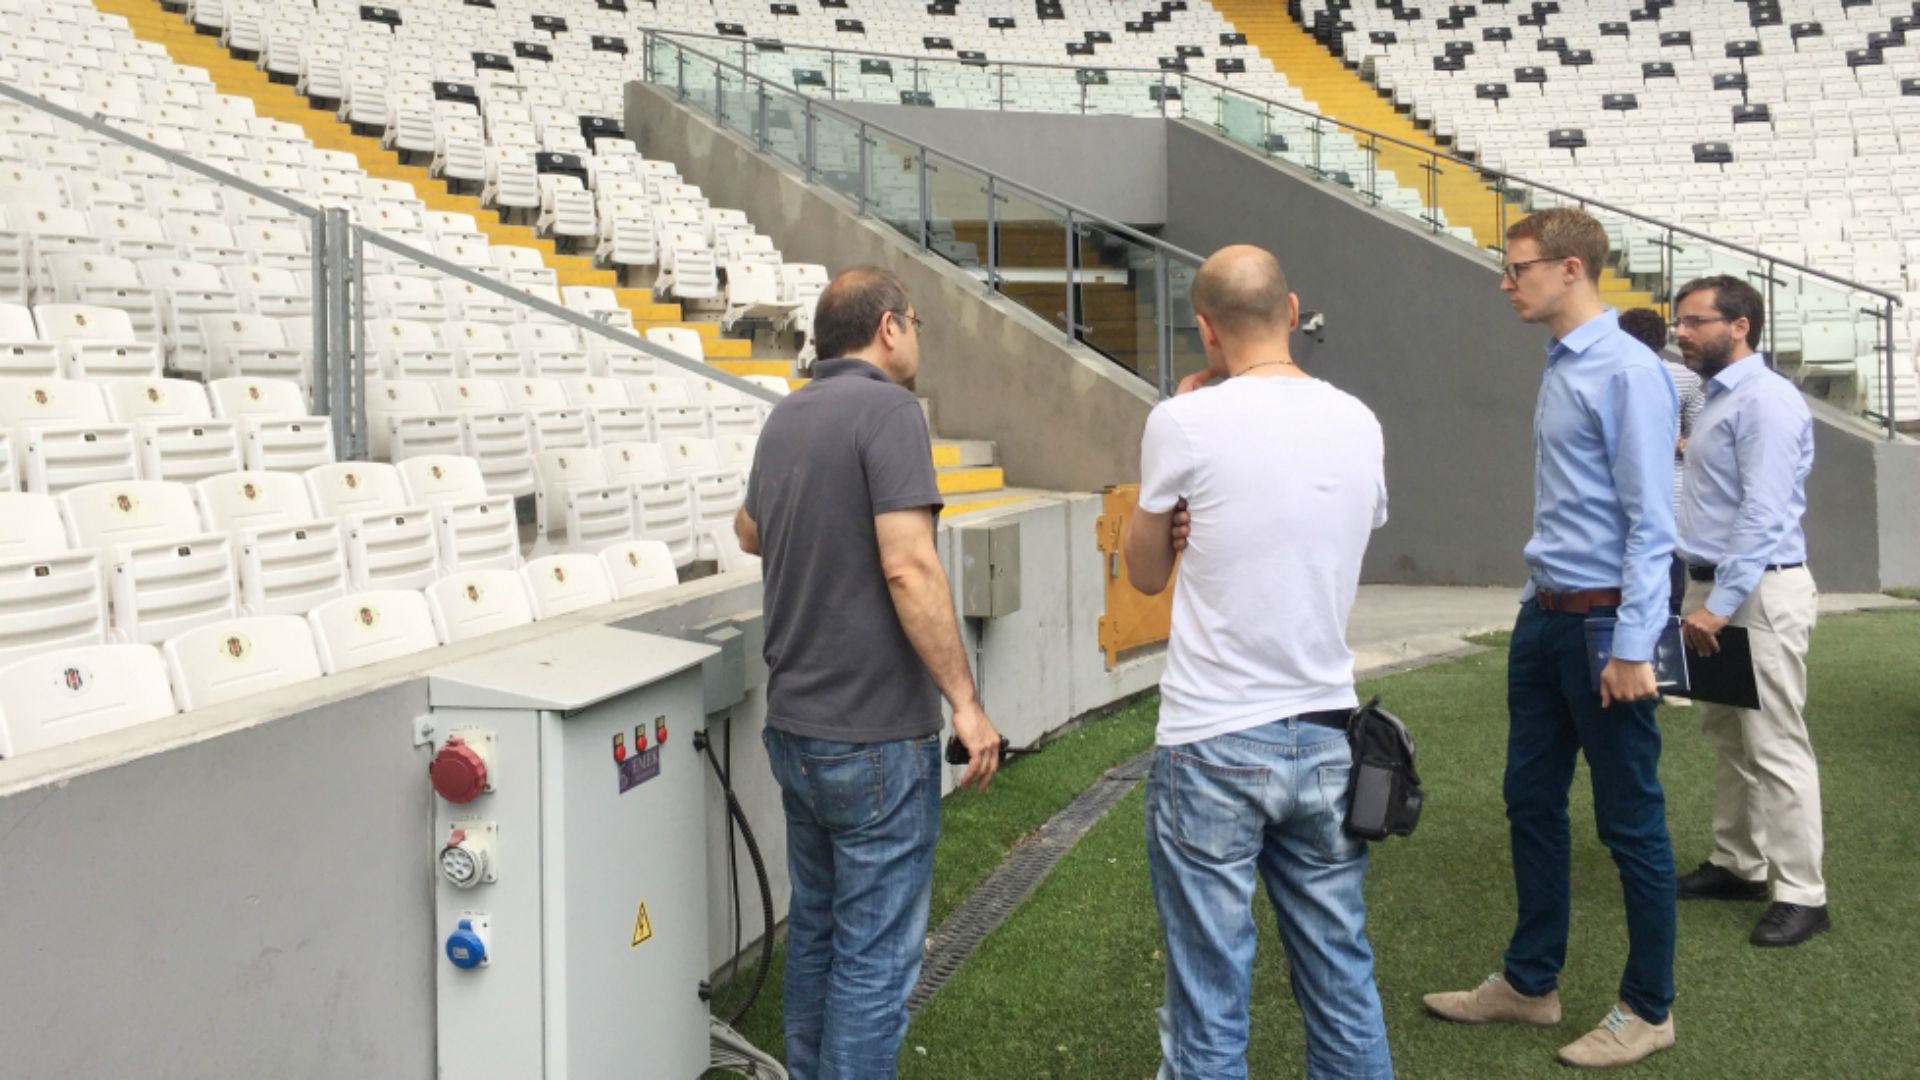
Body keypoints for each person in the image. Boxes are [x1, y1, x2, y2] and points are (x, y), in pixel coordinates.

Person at [1124, 245, 1393, 1080]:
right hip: (1324, 728)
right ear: (1292, 308)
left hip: (1211, 737)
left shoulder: (1183, 422)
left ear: (1204, 328)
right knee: (1341, 976)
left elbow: (1143, 572)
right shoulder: (1358, 419)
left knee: (1209, 994)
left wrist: (1181, 432)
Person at [1423, 209, 1679, 1069]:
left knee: (1629, 821)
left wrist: (1636, 646)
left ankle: (1649, 1008)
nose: (1507, 280)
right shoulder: (1565, 362)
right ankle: (1531, 985)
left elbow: (1653, 524)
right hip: (1545, 618)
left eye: (1518, 266)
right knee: (1528, 801)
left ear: (1570, 269)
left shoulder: (1627, 371)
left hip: (1606, 626)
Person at [734, 267, 1002, 1080]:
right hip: (874, 739)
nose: (917, 337)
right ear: (889, 327)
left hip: (797, 733)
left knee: (816, 932)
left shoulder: (788, 414)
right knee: (874, 961)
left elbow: (749, 532)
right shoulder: (889, 409)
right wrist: (967, 702)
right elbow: (910, 568)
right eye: (915, 322)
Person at [1669, 275, 1828, 948]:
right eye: (1678, 322)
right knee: (1728, 736)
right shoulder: (1718, 397)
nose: (1681, 332)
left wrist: (1722, 602)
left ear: (1740, 326)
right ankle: (1740, 863)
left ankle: (1803, 893)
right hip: (1718, 589)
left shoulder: (1765, 401)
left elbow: (1764, 511)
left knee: (1774, 744)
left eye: (1695, 322)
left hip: (1754, 592)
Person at [1618, 307, 1706, 616]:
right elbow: (1700, 438)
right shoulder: (1686, 377)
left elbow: (1699, 439)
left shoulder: (1680, 378)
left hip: (1637, 495)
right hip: (1670, 497)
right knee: (1669, 589)